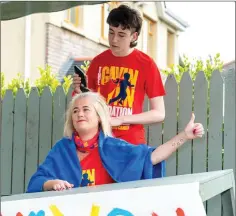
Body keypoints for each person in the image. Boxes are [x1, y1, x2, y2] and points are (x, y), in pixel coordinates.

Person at [27, 92, 204, 192]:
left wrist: (185, 136)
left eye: (86, 109)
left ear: (99, 117)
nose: (79, 114)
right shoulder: (61, 149)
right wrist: (52, 183)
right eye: (75, 111)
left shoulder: (113, 147)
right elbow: (37, 182)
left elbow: (151, 157)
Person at [72, 4, 166, 145]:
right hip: (100, 141)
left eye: (121, 35)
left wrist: (122, 119)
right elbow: (85, 105)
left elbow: (159, 113)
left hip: (131, 145)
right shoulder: (98, 62)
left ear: (134, 36)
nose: (114, 39)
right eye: (111, 32)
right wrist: (79, 92)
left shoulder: (146, 64)